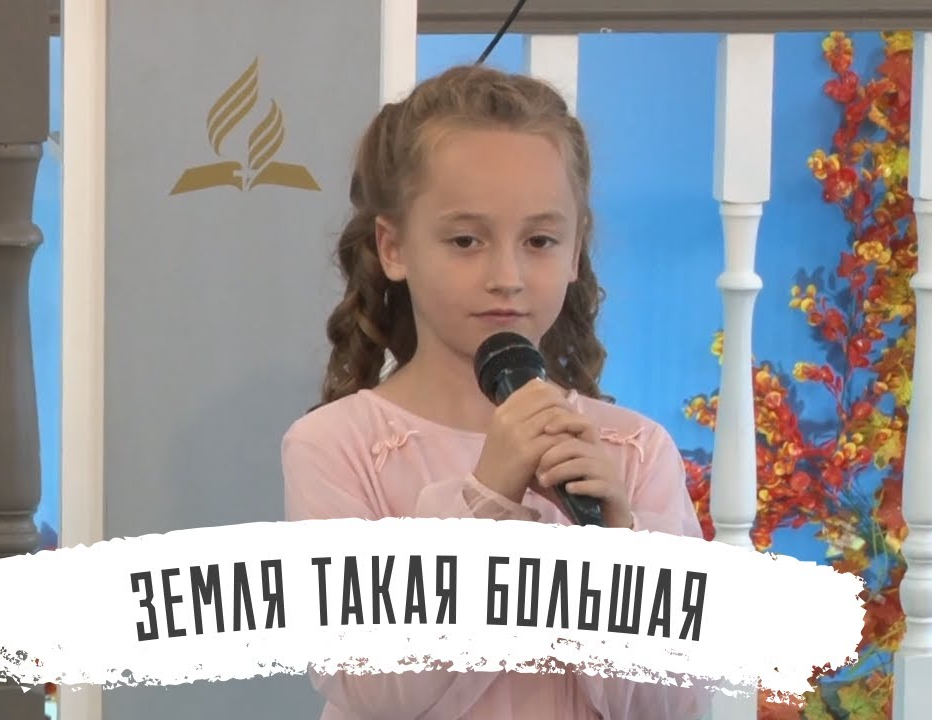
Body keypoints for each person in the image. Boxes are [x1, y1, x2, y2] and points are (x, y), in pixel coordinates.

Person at [281, 63, 711, 720]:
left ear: (575, 251)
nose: (506, 276)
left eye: (539, 240)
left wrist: (619, 548)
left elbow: (674, 703)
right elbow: (372, 689)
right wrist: (485, 499)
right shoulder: (335, 447)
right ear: (394, 247)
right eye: (465, 240)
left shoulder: (636, 450)